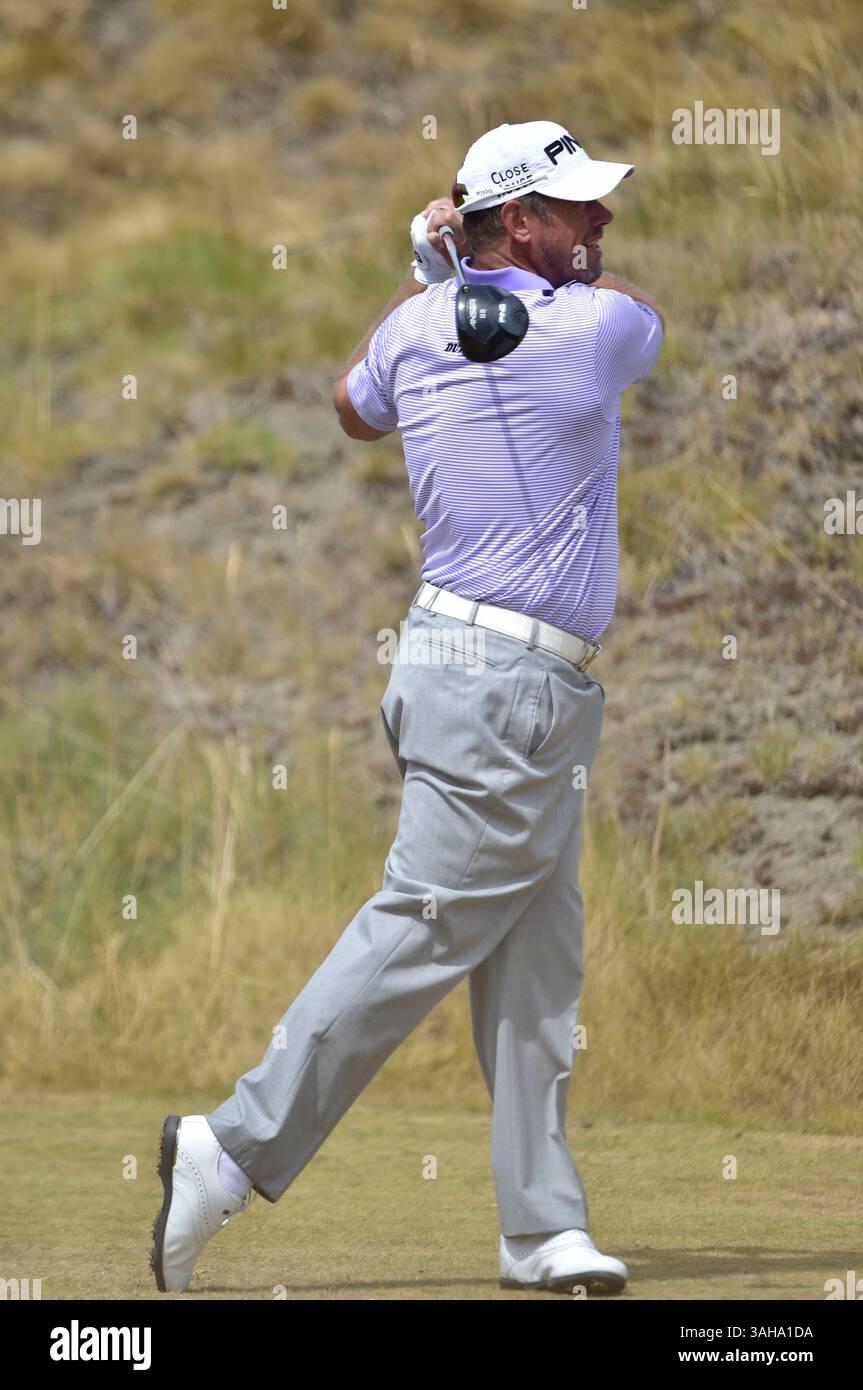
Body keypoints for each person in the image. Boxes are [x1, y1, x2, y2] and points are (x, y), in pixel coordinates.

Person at [150, 120, 664, 1296]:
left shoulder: (414, 328)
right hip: (508, 691)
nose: (600, 225)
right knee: (421, 926)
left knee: (537, 960)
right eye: (575, 209)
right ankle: (227, 1147)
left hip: (467, 671)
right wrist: (501, 271)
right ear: (518, 222)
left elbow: (350, 404)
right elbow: (640, 310)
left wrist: (427, 273)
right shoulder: (589, 329)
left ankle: (539, 1227)